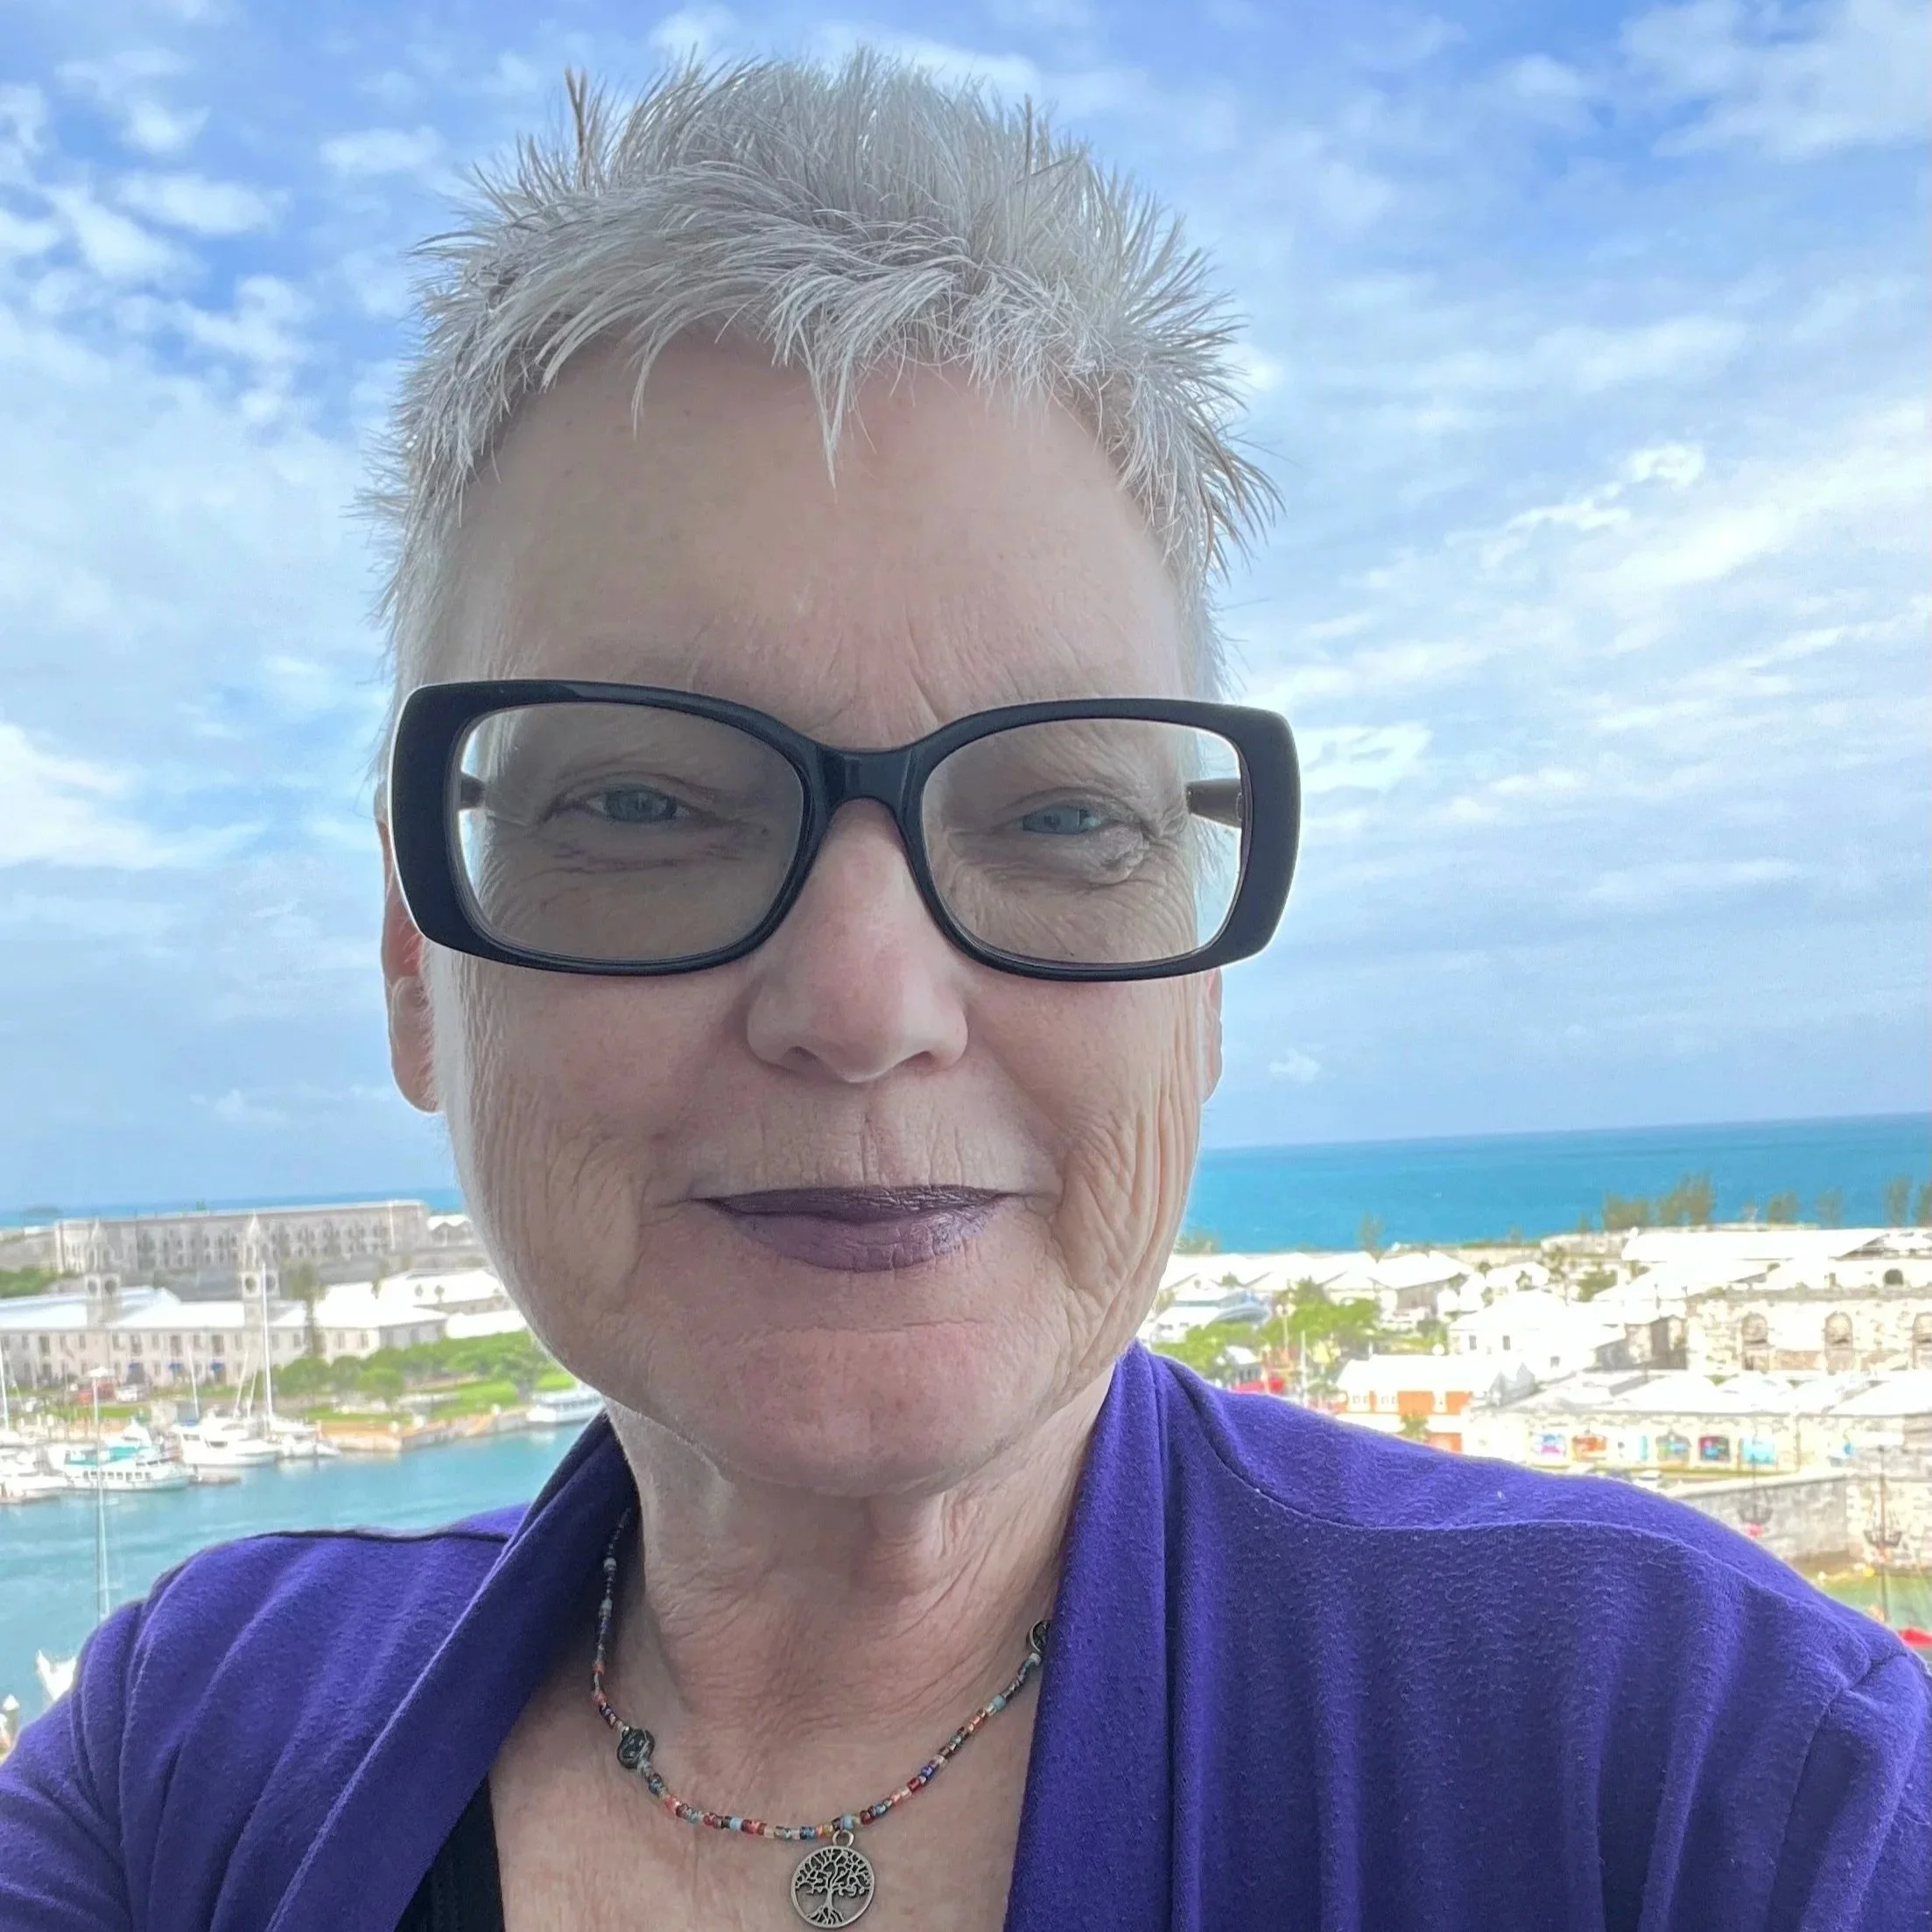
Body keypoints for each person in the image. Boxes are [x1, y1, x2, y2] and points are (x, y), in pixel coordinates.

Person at [1, 55, 1926, 1932]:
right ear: (420, 968)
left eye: (1064, 815)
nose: (863, 1002)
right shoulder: (190, 1743)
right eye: (644, 804)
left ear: (1201, 998)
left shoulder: (1702, 1761)